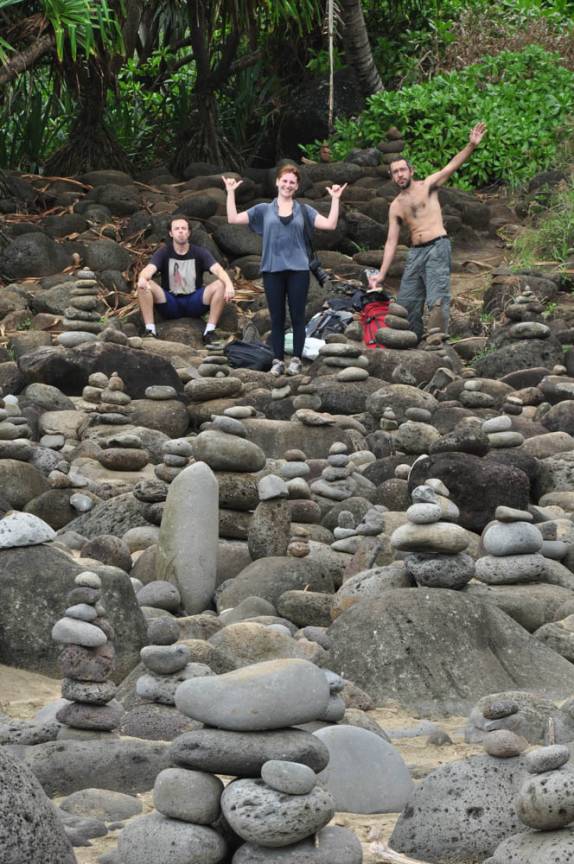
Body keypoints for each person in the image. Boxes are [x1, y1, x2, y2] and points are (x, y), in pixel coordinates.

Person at [223, 164, 346, 375]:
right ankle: (278, 361)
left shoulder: (305, 210)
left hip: (298, 270)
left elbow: (330, 224)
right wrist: (231, 193)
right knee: (277, 317)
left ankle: (296, 359)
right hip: (272, 270)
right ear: (277, 182)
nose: (288, 185)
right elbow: (233, 218)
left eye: (292, 182)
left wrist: (335, 199)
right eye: (285, 181)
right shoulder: (263, 210)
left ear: (296, 186)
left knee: (298, 317)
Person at [369, 122, 487, 340]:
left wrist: (471, 146)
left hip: (437, 247)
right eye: (395, 172)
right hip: (415, 253)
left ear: (411, 171)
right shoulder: (396, 205)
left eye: (403, 170)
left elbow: (450, 167)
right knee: (406, 302)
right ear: (392, 177)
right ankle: (411, 342)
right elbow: (391, 242)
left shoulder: (428, 185)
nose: (400, 175)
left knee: (437, 298)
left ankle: (437, 345)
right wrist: (381, 274)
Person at [137, 215, 235, 343]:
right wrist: (142, 278)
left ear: (189, 233)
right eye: (176, 228)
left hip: (194, 302)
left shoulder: (200, 252)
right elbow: (148, 270)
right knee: (144, 284)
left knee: (221, 284)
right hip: (170, 303)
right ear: (171, 233)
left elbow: (218, 270)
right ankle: (150, 330)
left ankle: (209, 332)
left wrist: (229, 285)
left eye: (184, 228)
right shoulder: (163, 252)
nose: (181, 231)